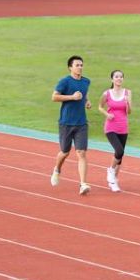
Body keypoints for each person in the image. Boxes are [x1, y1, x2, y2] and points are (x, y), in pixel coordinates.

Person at [50, 55, 92, 195]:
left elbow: (84, 94)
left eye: (81, 65)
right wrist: (72, 97)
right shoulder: (65, 82)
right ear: (70, 67)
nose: (80, 67)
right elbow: (54, 97)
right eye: (77, 65)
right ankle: (57, 169)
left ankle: (83, 184)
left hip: (81, 123)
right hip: (66, 123)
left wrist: (86, 101)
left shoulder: (86, 81)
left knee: (81, 153)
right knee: (65, 152)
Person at [98, 69, 132, 192]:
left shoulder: (127, 93)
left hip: (123, 127)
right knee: (119, 150)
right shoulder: (107, 93)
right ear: (112, 79)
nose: (119, 79)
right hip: (111, 127)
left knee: (120, 156)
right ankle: (111, 171)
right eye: (116, 76)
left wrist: (128, 103)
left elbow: (129, 112)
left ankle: (114, 181)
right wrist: (107, 115)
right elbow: (100, 107)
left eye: (121, 77)